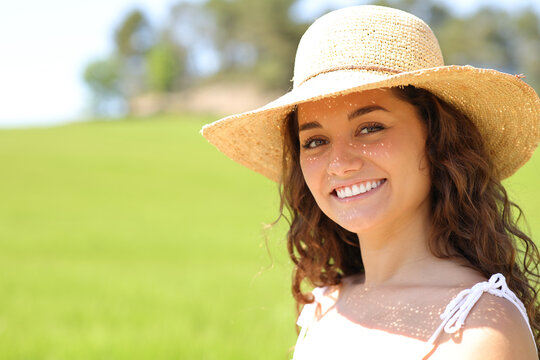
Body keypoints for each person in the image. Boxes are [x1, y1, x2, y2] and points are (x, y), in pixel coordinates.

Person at [201, 5, 540, 359]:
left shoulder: (479, 326)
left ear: (437, 138)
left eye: (370, 128)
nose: (340, 164)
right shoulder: (326, 304)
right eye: (315, 141)